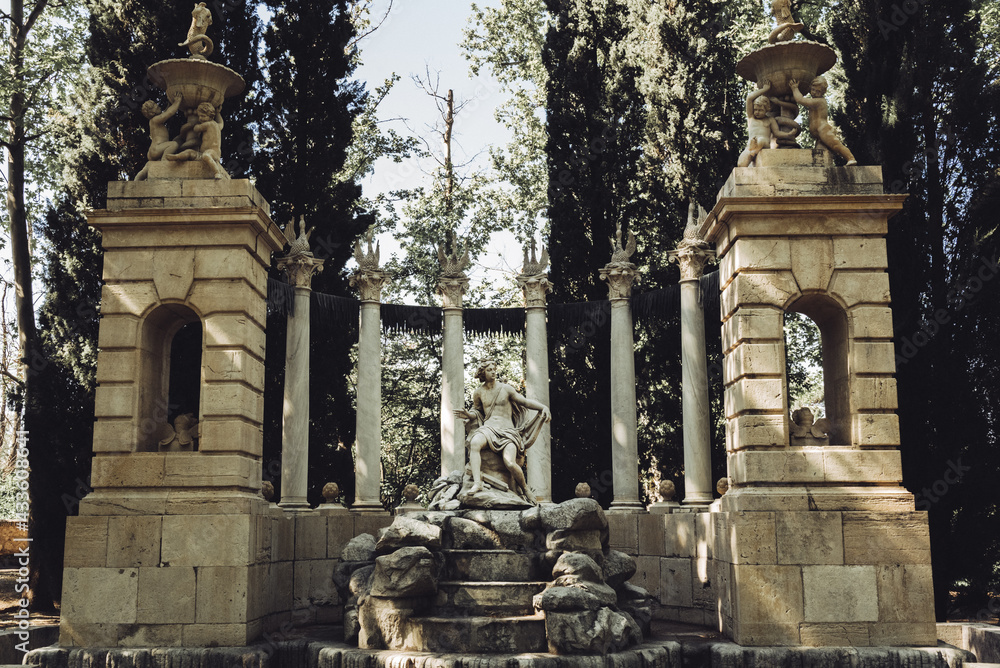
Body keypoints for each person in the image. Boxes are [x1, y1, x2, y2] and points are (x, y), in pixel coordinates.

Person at [454, 360, 551, 503]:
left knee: (510, 462)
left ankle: (524, 488)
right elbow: (477, 412)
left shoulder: (506, 389)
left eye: (494, 369)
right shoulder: (479, 392)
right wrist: (469, 415)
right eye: (489, 370)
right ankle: (477, 483)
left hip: (508, 432)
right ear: (483, 373)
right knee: (474, 443)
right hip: (489, 429)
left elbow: (524, 402)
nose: (493, 372)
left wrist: (543, 407)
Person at [789, 76, 858, 165]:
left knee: (835, 145)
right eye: (813, 89)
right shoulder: (814, 100)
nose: (815, 93)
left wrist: (794, 88)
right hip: (818, 135)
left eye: (818, 91)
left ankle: (850, 158)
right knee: (819, 155)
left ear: (823, 92)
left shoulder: (820, 101)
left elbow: (800, 99)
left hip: (823, 130)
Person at [739, 79, 799, 167]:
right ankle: (752, 150)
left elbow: (777, 133)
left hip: (763, 145)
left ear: (767, 109)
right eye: (755, 109)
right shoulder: (751, 117)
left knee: (761, 140)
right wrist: (764, 89)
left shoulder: (770, 120)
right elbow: (749, 98)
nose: (757, 112)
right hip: (750, 146)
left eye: (760, 110)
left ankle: (754, 149)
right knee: (741, 164)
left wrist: (788, 134)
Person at [166, 101, 229, 179]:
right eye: (199, 116)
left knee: (206, 156)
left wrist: (193, 124)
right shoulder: (217, 126)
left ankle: (217, 172)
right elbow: (221, 123)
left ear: (210, 116)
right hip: (202, 153)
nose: (200, 119)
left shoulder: (208, 124)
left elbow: (196, 129)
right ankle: (177, 157)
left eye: (202, 116)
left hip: (213, 152)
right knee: (190, 152)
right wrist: (218, 113)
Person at [135, 93, 183, 181]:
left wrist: (170, 104)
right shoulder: (155, 120)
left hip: (154, 150)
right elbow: (169, 113)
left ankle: (138, 178)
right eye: (157, 107)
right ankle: (164, 163)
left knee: (147, 168)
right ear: (153, 112)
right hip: (157, 149)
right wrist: (177, 102)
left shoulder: (154, 121)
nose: (159, 107)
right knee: (174, 144)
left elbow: (165, 111)